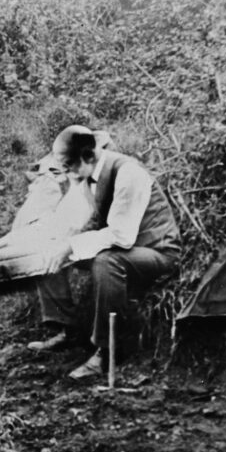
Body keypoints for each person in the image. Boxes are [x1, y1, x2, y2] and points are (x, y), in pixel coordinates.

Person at [23, 125, 181, 380]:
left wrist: (71, 246)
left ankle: (108, 351)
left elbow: (122, 236)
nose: (68, 174)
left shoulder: (128, 174)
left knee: (107, 262)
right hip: (122, 248)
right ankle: (69, 330)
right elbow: (66, 221)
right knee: (49, 248)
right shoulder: (86, 174)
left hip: (155, 251)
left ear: (88, 156)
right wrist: (34, 240)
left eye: (70, 167)